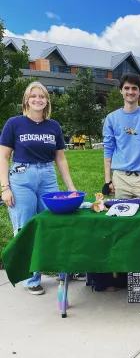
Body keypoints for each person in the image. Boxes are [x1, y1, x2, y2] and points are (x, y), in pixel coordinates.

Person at [0, 82, 78, 295]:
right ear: (26, 100)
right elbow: (4, 156)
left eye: (41, 96)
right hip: (21, 178)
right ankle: (31, 277)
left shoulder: (53, 126)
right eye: (33, 96)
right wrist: (4, 187)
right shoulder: (14, 124)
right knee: (26, 228)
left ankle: (63, 269)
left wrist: (70, 187)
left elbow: (60, 159)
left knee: (53, 223)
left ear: (47, 100)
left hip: (47, 177)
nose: (37, 99)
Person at [102, 73, 140, 200]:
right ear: (121, 91)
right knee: (120, 216)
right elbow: (108, 150)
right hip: (120, 178)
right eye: (127, 88)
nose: (130, 92)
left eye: (134, 88)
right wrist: (108, 181)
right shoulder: (111, 118)